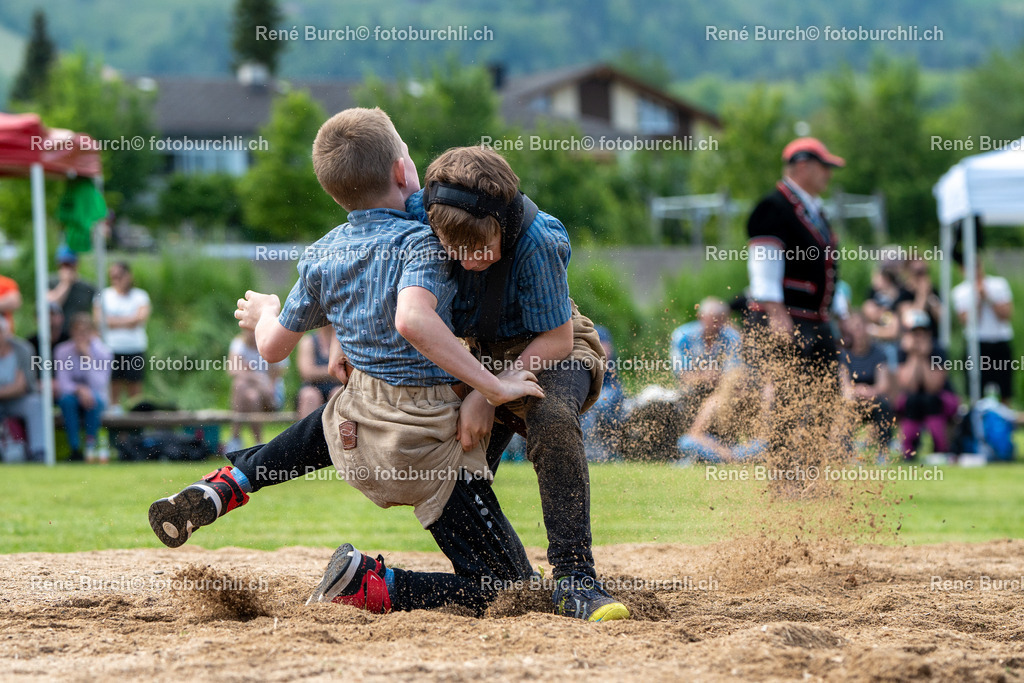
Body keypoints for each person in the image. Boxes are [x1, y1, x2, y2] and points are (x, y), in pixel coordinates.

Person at [149, 108, 567, 620]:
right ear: (400, 172)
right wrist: (493, 385)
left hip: (354, 423)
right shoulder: (424, 243)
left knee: (332, 420)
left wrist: (265, 311)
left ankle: (229, 485)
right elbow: (414, 319)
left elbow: (273, 349)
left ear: (332, 192)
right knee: (513, 592)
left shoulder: (324, 253)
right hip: (422, 441)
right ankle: (372, 585)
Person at [405, 145, 626, 621]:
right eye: (455, 249)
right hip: (478, 354)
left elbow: (558, 337)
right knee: (444, 457)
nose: (468, 261)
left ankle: (574, 578)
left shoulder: (538, 241)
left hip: (550, 346)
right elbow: (385, 183)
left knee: (551, 416)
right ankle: (497, 576)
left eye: (482, 248)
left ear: (503, 219)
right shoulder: (426, 210)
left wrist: (490, 391)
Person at [745, 137, 845, 461]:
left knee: (827, 393)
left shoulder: (814, 210)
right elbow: (763, 263)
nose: (829, 174)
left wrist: (840, 312)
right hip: (787, 316)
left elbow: (826, 270)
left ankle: (812, 469)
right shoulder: (773, 206)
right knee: (787, 395)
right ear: (802, 166)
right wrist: (776, 314)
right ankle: (785, 475)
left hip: (814, 318)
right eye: (824, 167)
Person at [893, 309, 959, 460]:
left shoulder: (938, 351)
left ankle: (940, 448)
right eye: (914, 333)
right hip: (914, 400)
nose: (918, 337)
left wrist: (923, 357)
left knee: (930, 401)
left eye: (922, 332)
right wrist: (914, 356)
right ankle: (908, 449)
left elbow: (933, 386)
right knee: (911, 401)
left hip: (938, 399)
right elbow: (908, 385)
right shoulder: (903, 352)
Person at [952, 256, 1014, 404]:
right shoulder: (960, 292)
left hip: (1000, 341)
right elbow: (967, 321)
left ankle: (1004, 423)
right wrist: (978, 300)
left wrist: (988, 297)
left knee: (1005, 388)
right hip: (976, 344)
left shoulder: (999, 284)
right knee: (975, 389)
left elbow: (1006, 315)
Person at [54, 313, 112, 462]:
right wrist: (80, 390)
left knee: (95, 401)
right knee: (67, 401)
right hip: (72, 394)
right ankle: (74, 448)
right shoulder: (62, 351)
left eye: (85, 331)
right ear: (72, 332)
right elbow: (63, 383)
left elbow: (99, 383)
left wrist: (87, 358)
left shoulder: (103, 351)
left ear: (92, 332)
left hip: (95, 395)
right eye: (77, 331)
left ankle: (90, 446)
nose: (81, 335)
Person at [94, 261, 151, 407]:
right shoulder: (104, 295)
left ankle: (136, 423)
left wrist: (112, 322)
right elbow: (99, 321)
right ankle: (115, 423)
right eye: (113, 276)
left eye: (119, 276)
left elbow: (139, 319)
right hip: (110, 349)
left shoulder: (140, 296)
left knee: (135, 391)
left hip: (134, 349)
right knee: (113, 390)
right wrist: (128, 321)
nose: (116, 280)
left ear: (128, 276)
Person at [838, 310, 894, 455]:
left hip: (873, 399)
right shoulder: (843, 355)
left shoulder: (879, 354)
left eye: (861, 326)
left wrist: (869, 392)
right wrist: (858, 391)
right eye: (855, 327)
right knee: (844, 406)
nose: (859, 331)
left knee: (884, 405)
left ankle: (883, 452)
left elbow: (884, 385)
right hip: (853, 399)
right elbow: (845, 386)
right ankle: (846, 452)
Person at [225, 328, 288, 451]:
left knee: (241, 384)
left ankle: (235, 437)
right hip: (249, 396)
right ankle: (258, 443)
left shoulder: (272, 346)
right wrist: (256, 377)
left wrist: (248, 373)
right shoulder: (239, 343)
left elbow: (269, 388)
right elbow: (232, 370)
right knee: (249, 394)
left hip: (272, 399)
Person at [0, 317, 45, 462]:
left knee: (35, 403)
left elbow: (21, 386)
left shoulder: (22, 349)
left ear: (6, 332)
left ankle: (39, 452)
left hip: (18, 400)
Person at [580, 325, 625, 461]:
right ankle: (587, 451)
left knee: (602, 403)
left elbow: (605, 354)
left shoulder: (598, 331)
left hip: (608, 386)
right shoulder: (572, 329)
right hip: (585, 388)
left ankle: (610, 450)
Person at [48, 246, 97, 336]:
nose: (67, 269)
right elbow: (51, 304)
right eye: (64, 264)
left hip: (79, 335)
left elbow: (95, 314)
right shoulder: (50, 282)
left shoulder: (87, 287)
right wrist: (65, 284)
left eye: (70, 265)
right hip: (56, 334)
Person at [295, 326, 343, 419]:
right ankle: (308, 432)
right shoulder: (308, 341)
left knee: (338, 394)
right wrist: (333, 371)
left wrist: (318, 371)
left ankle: (337, 433)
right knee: (309, 396)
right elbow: (306, 373)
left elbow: (349, 372)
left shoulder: (345, 341)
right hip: (312, 387)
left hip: (337, 387)